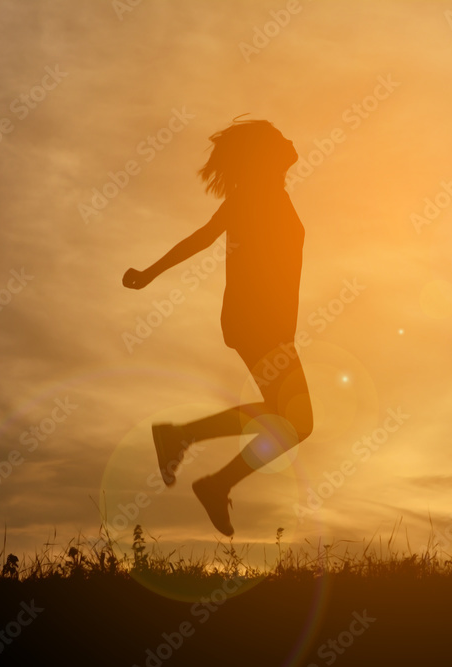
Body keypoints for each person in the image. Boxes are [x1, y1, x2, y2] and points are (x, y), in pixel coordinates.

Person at [122, 117, 313, 536]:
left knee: (287, 419)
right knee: (297, 422)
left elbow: (206, 236)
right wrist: (149, 273)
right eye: (281, 137)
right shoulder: (254, 195)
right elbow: (202, 239)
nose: (291, 139)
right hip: (257, 320)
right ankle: (204, 469)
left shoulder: (269, 193)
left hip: (263, 323)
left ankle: (189, 447)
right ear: (266, 154)